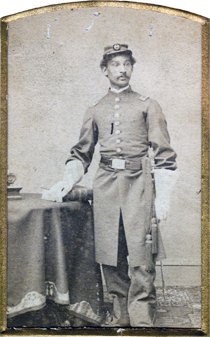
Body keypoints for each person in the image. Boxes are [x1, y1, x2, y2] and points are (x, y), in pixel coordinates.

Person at [43, 44, 177, 327]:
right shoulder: (95, 109)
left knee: (142, 252)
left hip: (139, 184)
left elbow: (164, 153)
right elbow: (81, 153)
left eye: (127, 64)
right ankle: (120, 314)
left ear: (132, 67)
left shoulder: (147, 104)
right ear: (104, 70)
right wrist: (67, 181)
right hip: (105, 185)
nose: (122, 69)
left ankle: (142, 319)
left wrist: (163, 197)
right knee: (110, 252)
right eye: (115, 64)